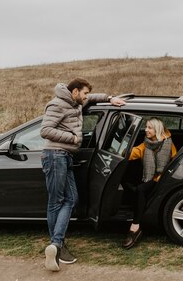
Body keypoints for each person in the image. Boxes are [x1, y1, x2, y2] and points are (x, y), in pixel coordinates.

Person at [40, 78, 125, 271]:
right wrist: (74, 138)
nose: (86, 97)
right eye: (84, 93)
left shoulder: (75, 101)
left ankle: (55, 245)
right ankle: (57, 245)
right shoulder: (57, 104)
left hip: (65, 156)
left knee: (71, 199)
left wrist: (109, 98)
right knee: (56, 201)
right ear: (75, 91)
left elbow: (92, 98)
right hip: (55, 155)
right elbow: (45, 130)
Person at [122, 117, 177, 249]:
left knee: (140, 190)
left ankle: (135, 226)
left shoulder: (169, 144)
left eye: (149, 127)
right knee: (130, 184)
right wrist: (123, 145)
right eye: (146, 127)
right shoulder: (144, 145)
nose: (146, 130)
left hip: (164, 179)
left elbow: (176, 162)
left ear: (157, 129)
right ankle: (138, 221)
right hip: (149, 178)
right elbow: (128, 154)